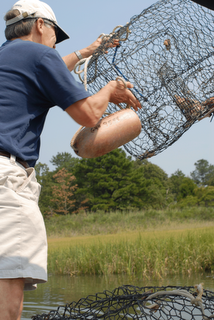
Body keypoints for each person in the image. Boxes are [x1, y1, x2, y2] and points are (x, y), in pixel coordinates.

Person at [0, 1, 141, 319]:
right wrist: (109, 89)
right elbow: (89, 113)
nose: (54, 42)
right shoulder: (39, 55)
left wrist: (87, 51)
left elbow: (49, 67)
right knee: (8, 282)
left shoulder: (8, 56)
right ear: (40, 25)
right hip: (5, 179)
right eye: (55, 34)